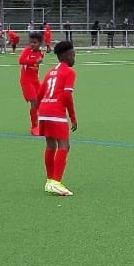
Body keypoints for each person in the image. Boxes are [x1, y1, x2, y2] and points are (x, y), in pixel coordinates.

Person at [37, 40, 78, 195]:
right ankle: (56, 181)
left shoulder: (50, 72)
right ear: (67, 56)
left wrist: (42, 110)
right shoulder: (69, 72)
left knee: (50, 145)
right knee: (64, 145)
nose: (74, 58)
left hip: (44, 110)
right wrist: (72, 116)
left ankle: (49, 181)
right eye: (73, 55)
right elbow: (67, 95)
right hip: (56, 112)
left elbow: (40, 94)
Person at [18, 36, 46, 135]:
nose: (32, 44)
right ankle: (34, 127)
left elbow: (36, 67)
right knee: (34, 101)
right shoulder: (27, 50)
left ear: (40, 43)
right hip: (26, 81)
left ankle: (43, 124)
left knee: (41, 101)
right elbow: (21, 60)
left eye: (35, 42)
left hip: (35, 81)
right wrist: (34, 61)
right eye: (31, 42)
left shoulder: (41, 53)